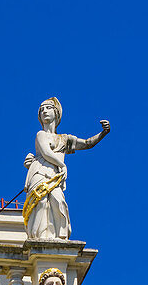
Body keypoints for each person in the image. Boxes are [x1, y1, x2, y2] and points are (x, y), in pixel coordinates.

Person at [23, 98, 109, 240]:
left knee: (59, 202)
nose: (44, 111)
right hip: (40, 172)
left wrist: (103, 133)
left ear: (56, 113)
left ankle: (58, 237)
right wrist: (62, 165)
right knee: (41, 202)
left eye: (48, 108)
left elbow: (87, 143)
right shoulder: (41, 134)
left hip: (56, 176)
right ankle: (38, 237)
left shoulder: (64, 139)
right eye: (41, 109)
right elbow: (46, 152)